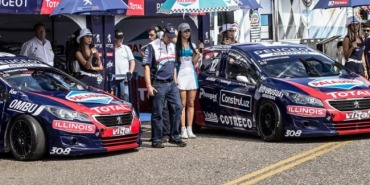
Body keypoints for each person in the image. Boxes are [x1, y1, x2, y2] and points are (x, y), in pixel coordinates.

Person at [142, 23, 186, 148]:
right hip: (158, 84)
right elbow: (146, 67)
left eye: (173, 36)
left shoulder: (173, 46)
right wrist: (149, 85)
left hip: (171, 83)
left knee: (178, 107)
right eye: (170, 36)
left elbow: (174, 65)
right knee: (158, 113)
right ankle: (156, 139)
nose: (172, 38)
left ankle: (175, 136)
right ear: (164, 34)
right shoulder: (152, 46)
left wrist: (175, 80)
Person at [141, 25, 171, 143]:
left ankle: (166, 133)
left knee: (163, 109)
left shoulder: (164, 47)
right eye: (149, 35)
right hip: (154, 81)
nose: (149, 37)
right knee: (155, 110)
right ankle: (156, 134)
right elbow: (144, 54)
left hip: (163, 82)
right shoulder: (150, 47)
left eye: (152, 35)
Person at [175, 22, 201, 139]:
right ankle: (183, 129)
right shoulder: (176, 46)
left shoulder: (192, 44)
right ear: (180, 32)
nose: (187, 33)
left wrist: (198, 54)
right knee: (182, 104)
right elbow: (175, 63)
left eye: (188, 31)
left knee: (191, 103)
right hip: (181, 75)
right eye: (185, 31)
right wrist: (175, 78)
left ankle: (190, 128)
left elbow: (194, 62)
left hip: (191, 75)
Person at [114, 30, 135, 101]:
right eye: (118, 38)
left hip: (124, 78)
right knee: (114, 98)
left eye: (121, 38)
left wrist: (130, 73)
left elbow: (132, 61)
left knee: (125, 97)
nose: (121, 40)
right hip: (113, 78)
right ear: (114, 38)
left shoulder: (126, 48)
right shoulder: (109, 49)